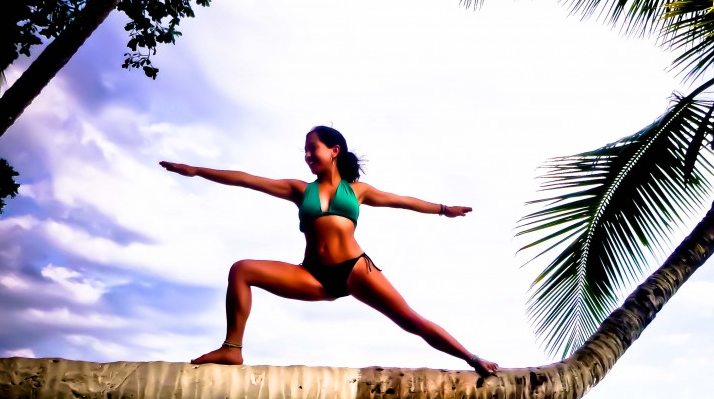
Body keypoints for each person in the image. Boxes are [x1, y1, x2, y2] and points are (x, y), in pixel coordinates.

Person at [160, 126, 499, 377]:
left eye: (313, 149)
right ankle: (232, 349)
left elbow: (404, 201)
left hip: (355, 270)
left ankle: (472, 358)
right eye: (305, 151)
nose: (307, 155)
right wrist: (196, 171)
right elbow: (247, 179)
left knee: (412, 321)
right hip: (313, 276)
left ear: (334, 150)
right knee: (242, 269)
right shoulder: (298, 189)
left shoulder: (358, 191)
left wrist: (443, 209)